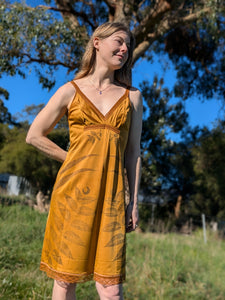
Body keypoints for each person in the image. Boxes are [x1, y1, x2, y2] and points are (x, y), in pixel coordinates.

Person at [26, 22, 142, 300]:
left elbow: (133, 153)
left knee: (111, 289)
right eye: (119, 41)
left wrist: (133, 202)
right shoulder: (70, 90)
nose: (125, 49)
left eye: (129, 46)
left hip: (112, 200)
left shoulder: (132, 98)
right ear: (97, 42)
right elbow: (34, 135)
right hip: (73, 195)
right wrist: (73, 159)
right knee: (65, 281)